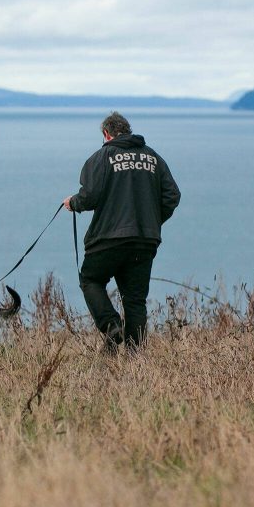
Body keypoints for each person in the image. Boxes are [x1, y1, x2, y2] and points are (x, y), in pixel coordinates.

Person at [63, 111, 180, 354]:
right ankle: (135, 355)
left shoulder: (102, 157)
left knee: (91, 280)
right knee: (135, 299)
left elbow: (90, 195)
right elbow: (172, 196)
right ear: (127, 130)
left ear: (106, 134)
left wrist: (73, 203)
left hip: (108, 239)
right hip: (145, 240)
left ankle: (112, 327)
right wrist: (152, 222)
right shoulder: (153, 158)